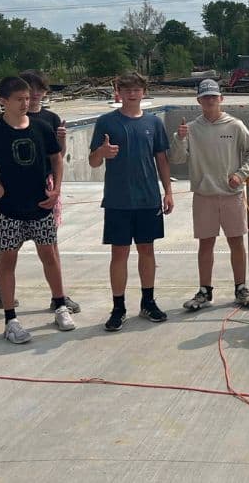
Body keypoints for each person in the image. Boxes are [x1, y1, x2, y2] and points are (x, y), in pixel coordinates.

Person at [0, 76, 76, 344]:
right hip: (8, 208)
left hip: (41, 205)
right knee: (8, 260)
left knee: (50, 256)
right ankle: (10, 319)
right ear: (3, 102)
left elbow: (56, 158)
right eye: (19, 99)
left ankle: (60, 305)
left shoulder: (42, 127)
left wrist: (56, 189)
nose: (25, 104)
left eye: (28, 98)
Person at [0, 70, 79, 314]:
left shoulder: (49, 119)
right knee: (10, 246)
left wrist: (56, 186)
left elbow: (57, 155)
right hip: (14, 188)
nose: (33, 95)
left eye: (38, 90)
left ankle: (58, 297)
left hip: (43, 184)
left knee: (49, 244)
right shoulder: (6, 122)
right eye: (27, 92)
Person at [88, 72, 174, 332]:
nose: (132, 94)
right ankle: (118, 307)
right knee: (119, 253)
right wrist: (101, 152)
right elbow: (93, 161)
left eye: (136, 89)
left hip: (148, 198)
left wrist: (168, 191)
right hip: (118, 200)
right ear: (119, 92)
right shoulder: (106, 122)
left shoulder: (153, 123)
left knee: (147, 250)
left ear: (143, 92)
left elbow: (161, 159)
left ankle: (148, 302)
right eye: (127, 90)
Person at [172, 78, 249, 312]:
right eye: (205, 97)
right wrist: (179, 139)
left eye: (213, 96)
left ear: (221, 98)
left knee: (236, 242)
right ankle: (204, 291)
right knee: (205, 244)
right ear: (199, 101)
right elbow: (178, 159)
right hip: (204, 195)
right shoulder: (191, 129)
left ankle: (241, 288)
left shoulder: (235, 125)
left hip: (232, 195)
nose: (210, 101)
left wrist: (240, 175)